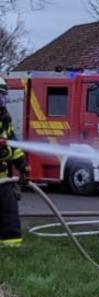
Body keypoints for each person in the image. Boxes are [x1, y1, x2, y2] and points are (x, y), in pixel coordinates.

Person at [0, 76, 28, 248]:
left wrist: (23, 166)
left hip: (2, 179)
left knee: (9, 214)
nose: (2, 101)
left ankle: (12, 248)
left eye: (3, 96)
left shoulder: (4, 121)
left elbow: (14, 146)